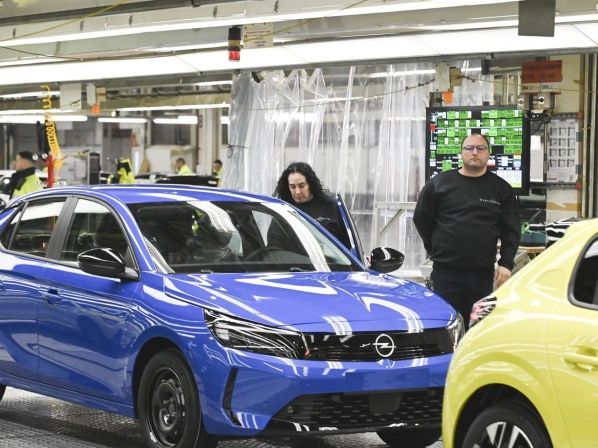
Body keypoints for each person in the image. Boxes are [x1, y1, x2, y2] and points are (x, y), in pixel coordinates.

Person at [413, 133, 520, 328]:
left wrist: (506, 264)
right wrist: (435, 248)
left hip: (482, 276)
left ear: (488, 154)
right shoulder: (439, 184)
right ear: (461, 153)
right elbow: (421, 219)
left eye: (480, 148)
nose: (474, 152)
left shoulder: (501, 189)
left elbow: (511, 231)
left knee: (478, 328)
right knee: (446, 327)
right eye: (469, 148)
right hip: (445, 274)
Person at [274, 162, 347, 245]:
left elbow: (347, 243)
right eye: (292, 187)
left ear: (310, 184)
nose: (297, 192)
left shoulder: (329, 205)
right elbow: (273, 245)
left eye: (302, 186)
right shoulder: (284, 208)